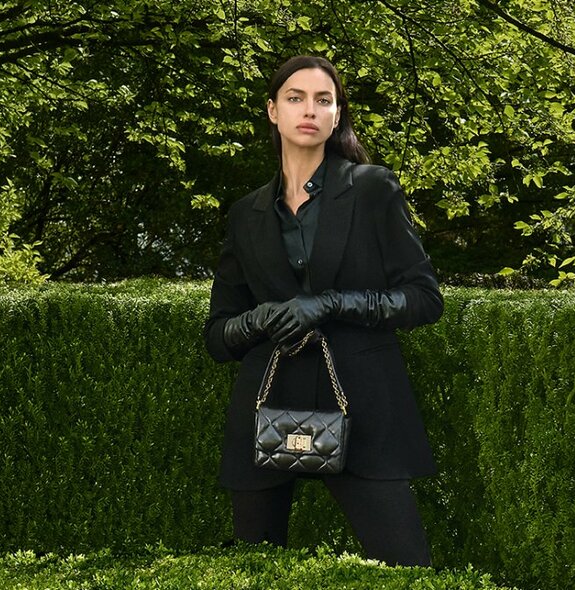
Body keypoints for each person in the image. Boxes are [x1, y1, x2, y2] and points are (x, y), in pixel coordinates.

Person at [203, 55, 443, 567]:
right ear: (272, 111)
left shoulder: (373, 188)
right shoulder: (245, 214)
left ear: (337, 116)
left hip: (366, 407)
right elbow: (218, 335)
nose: (308, 110)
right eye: (295, 98)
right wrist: (260, 319)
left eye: (323, 100)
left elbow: (423, 298)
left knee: (408, 572)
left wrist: (331, 304)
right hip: (265, 408)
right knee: (254, 575)